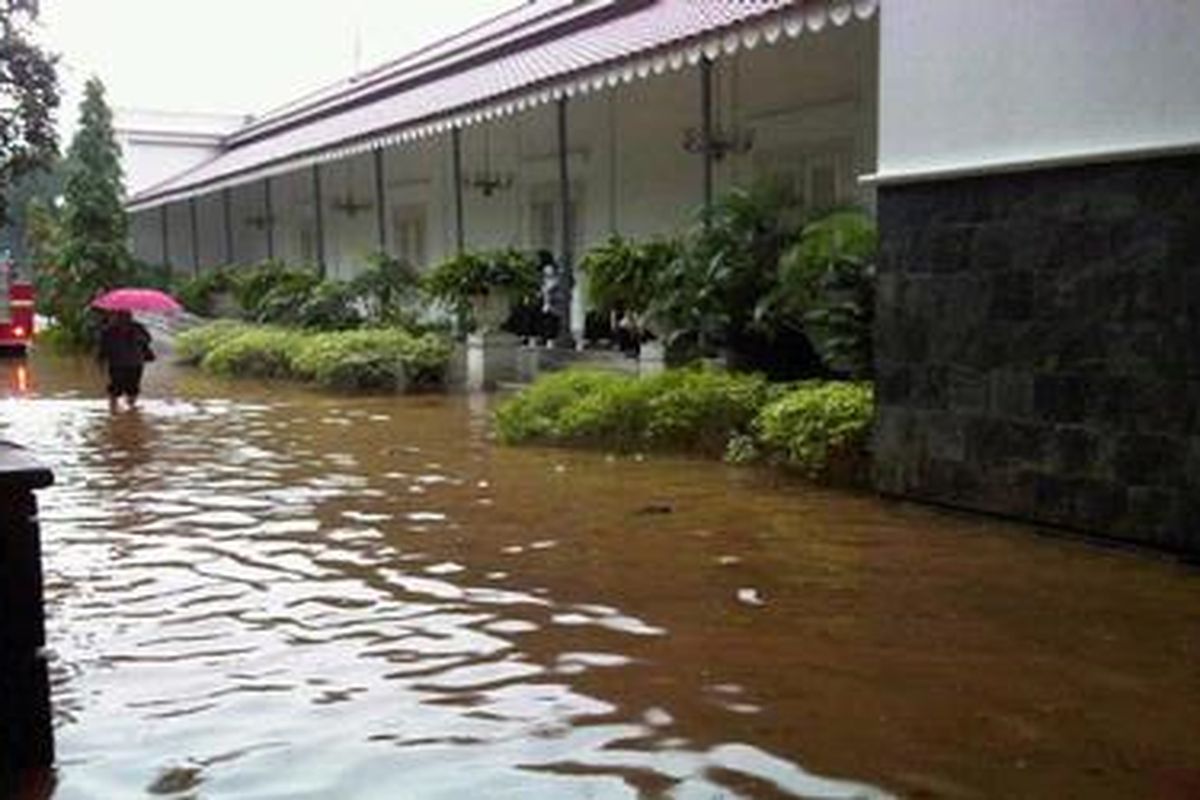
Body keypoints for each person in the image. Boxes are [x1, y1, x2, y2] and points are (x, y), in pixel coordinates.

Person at [98, 310, 153, 411]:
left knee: (133, 387)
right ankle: (113, 408)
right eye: (121, 316)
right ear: (117, 316)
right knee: (115, 387)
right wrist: (101, 361)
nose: (124, 318)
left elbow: (148, 339)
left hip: (135, 362)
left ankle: (131, 407)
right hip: (117, 363)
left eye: (127, 315)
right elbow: (103, 347)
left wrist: (139, 338)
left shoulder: (138, 327)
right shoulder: (109, 329)